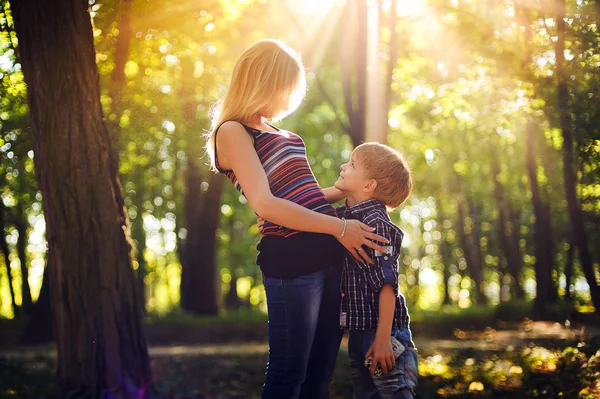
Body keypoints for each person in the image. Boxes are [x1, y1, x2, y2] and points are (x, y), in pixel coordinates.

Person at [205, 38, 389, 399]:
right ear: (264, 80)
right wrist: (341, 227)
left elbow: (304, 198)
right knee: (289, 375)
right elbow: (266, 205)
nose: (288, 96)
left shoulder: (285, 134)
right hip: (292, 259)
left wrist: (361, 193)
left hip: (333, 256)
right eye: (286, 85)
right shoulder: (232, 131)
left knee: (319, 378)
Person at [334, 142, 418, 399]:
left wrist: (382, 339)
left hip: (383, 334)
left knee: (394, 394)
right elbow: (311, 212)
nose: (342, 166)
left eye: (351, 165)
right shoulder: (345, 217)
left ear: (369, 185)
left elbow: (387, 285)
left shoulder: (376, 225)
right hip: (360, 333)